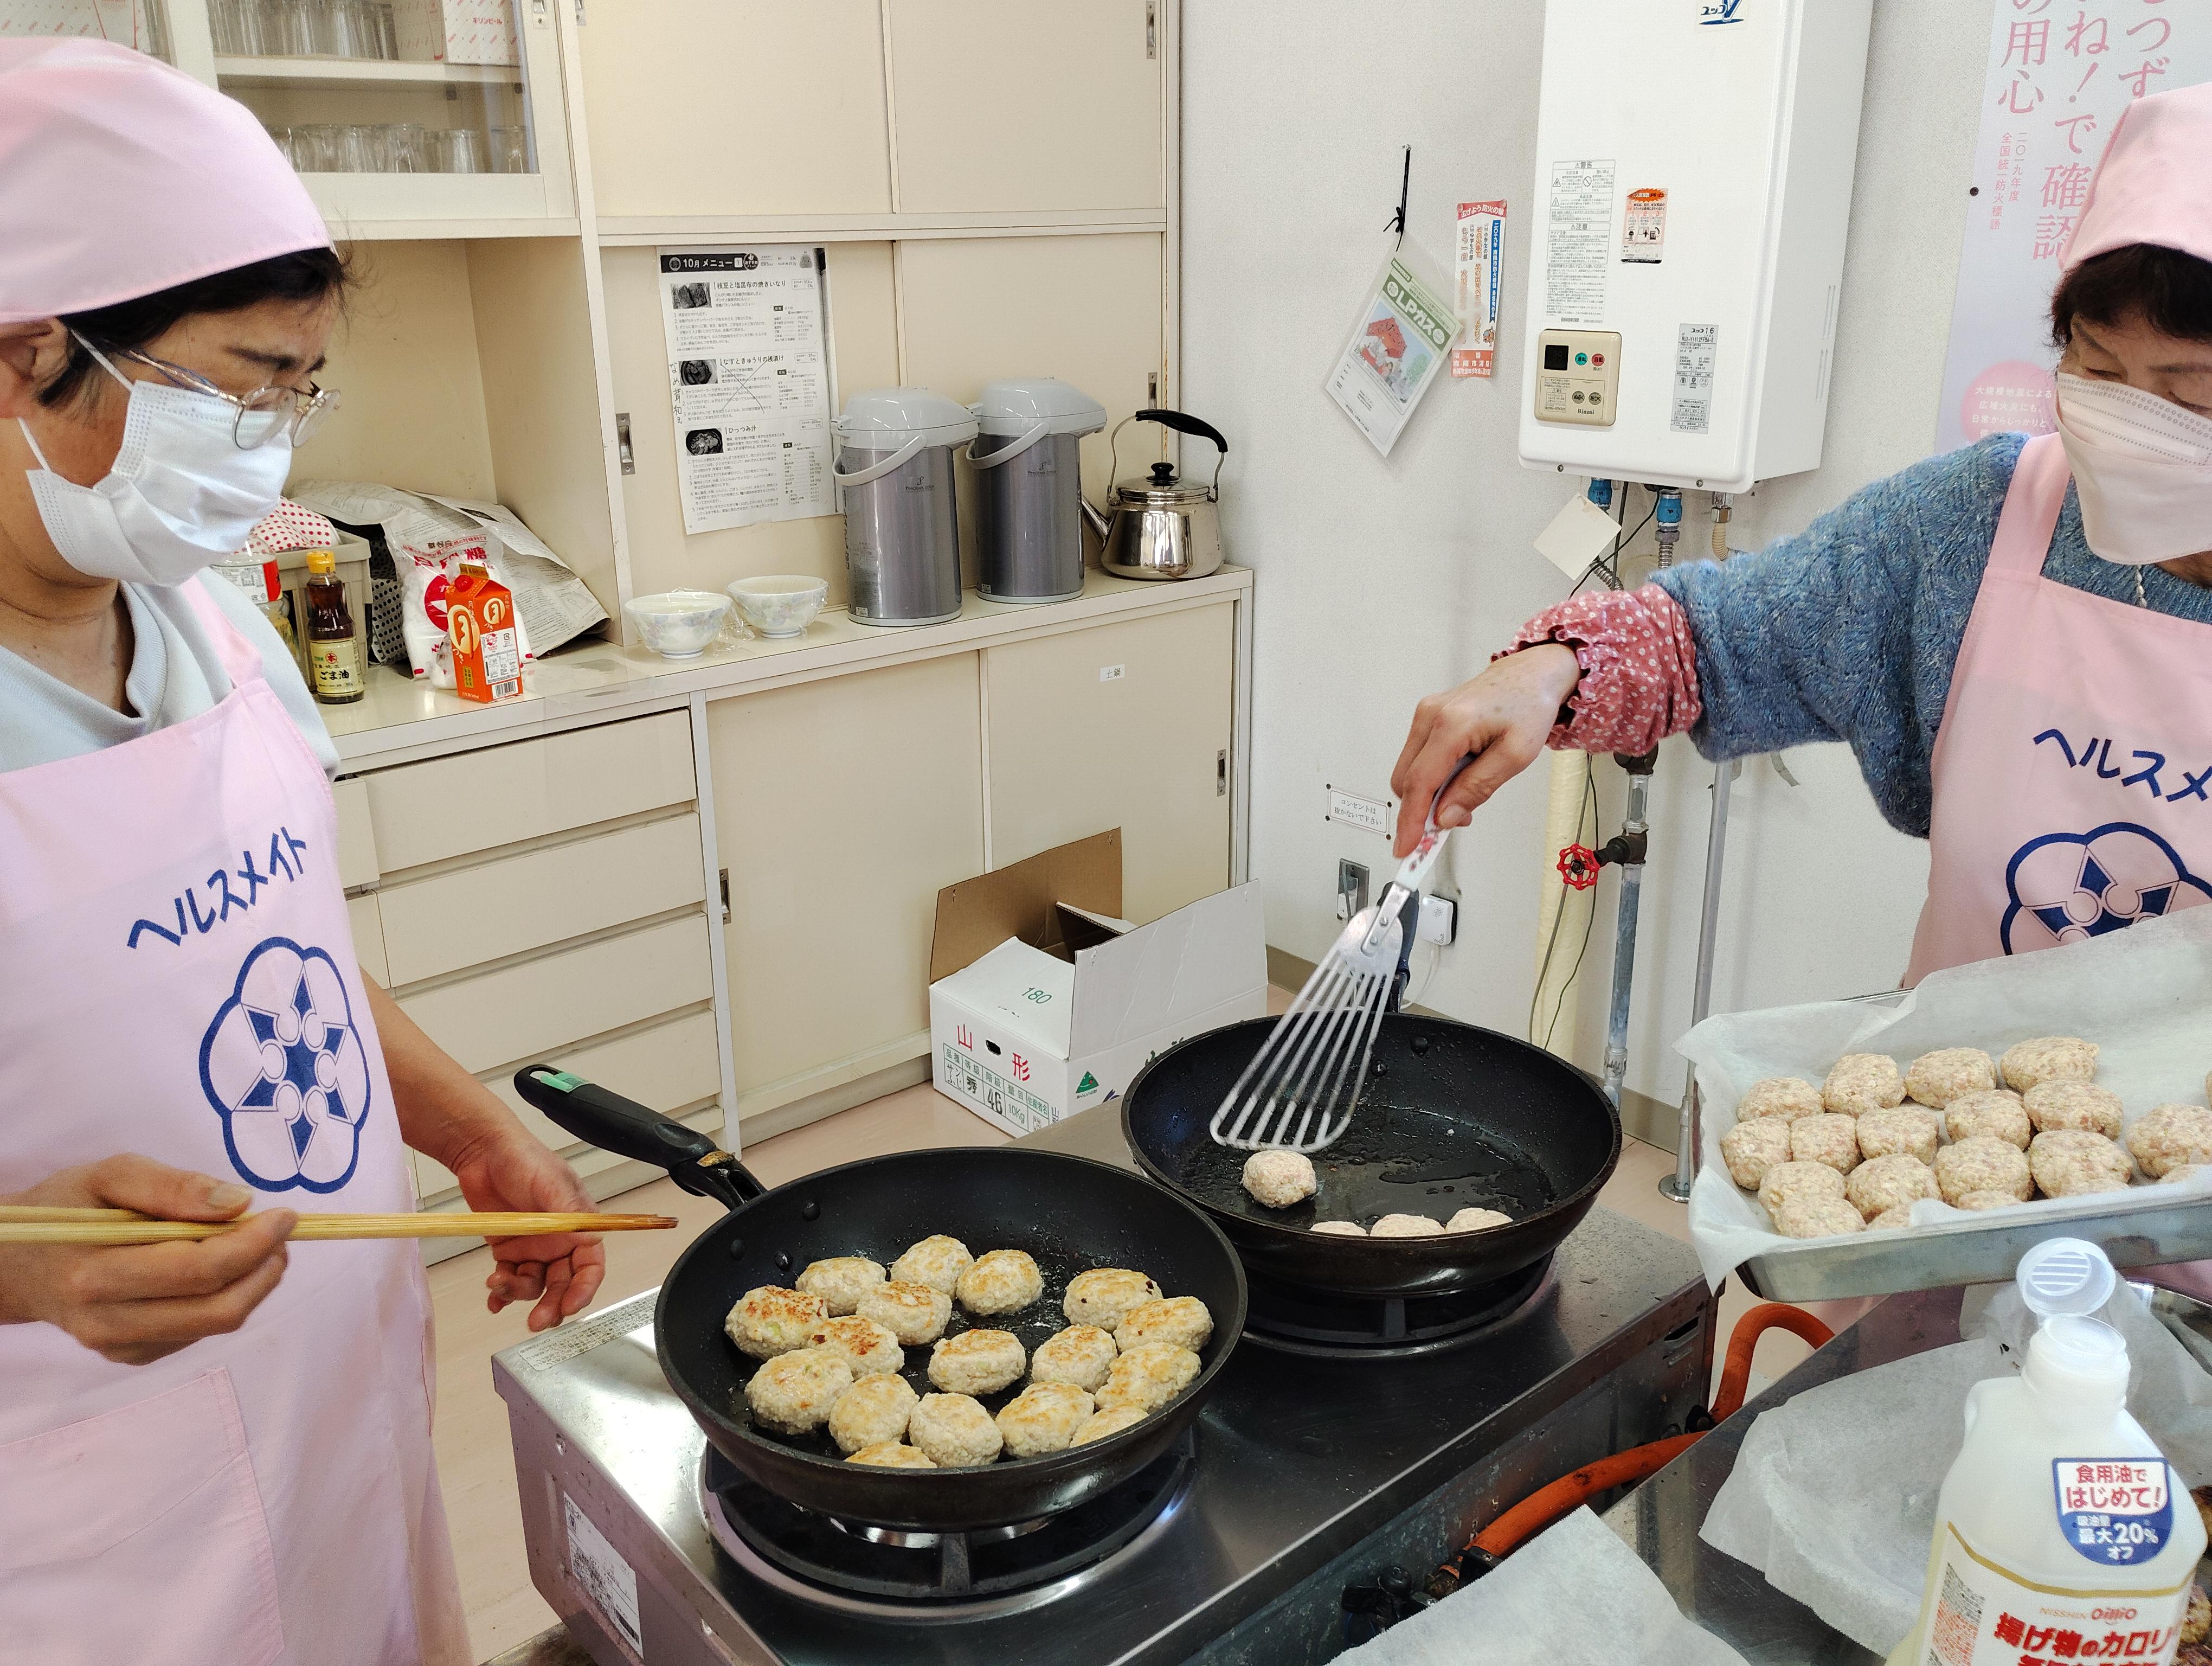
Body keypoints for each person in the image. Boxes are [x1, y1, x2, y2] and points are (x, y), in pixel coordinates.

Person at [0, 42, 603, 1663]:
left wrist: (471, 1128)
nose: (269, 444)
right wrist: (21, 1271)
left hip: (334, 1391)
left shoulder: (202, 609)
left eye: (298, 392)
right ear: (26, 353)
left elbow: (281, 942)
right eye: (236, 385)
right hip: (75, 1494)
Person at [1392, 82, 2212, 986]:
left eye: (2193, 392)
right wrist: (1554, 667)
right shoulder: (1982, 519)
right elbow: (1714, 638)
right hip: (1954, 1096)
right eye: (2096, 367)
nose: (2133, 427)